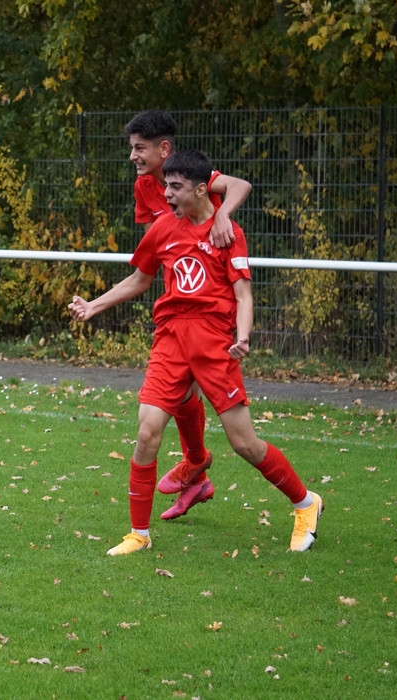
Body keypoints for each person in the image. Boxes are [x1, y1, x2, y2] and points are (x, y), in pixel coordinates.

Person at [68, 149, 323, 556]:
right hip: (170, 339)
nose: (167, 194)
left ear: (203, 189)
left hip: (214, 343)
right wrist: (94, 306)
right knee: (148, 429)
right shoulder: (163, 229)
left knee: (245, 444)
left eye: (176, 187)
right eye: (166, 185)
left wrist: (243, 336)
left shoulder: (228, 233)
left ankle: (306, 504)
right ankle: (139, 534)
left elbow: (243, 294)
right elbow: (139, 279)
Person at [125, 110, 253, 519]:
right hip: (179, 303)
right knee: (174, 397)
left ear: (165, 149)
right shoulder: (146, 186)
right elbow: (161, 242)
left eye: (139, 148)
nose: (133, 156)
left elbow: (239, 185)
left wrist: (221, 214)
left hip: (210, 304)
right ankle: (195, 473)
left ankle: (196, 466)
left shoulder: (198, 178)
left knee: (236, 434)